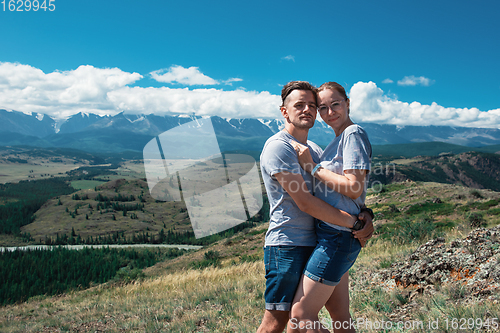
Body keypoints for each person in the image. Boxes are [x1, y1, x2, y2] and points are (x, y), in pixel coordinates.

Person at [256, 81, 373, 333]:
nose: (307, 110)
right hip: (289, 243)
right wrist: (355, 223)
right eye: (299, 105)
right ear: (284, 111)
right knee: (277, 321)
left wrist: (365, 214)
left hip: (323, 240)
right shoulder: (280, 147)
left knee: (338, 315)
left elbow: (340, 190)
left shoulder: (315, 150)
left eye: (312, 105)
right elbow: (306, 202)